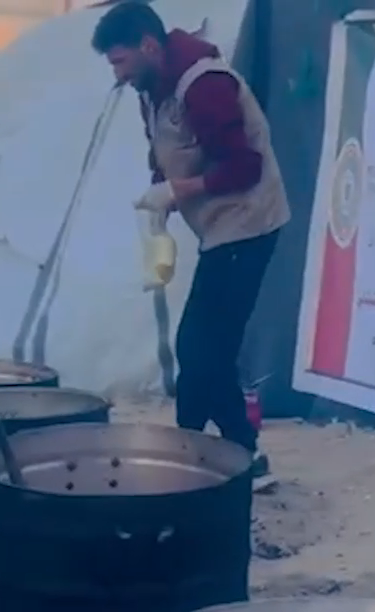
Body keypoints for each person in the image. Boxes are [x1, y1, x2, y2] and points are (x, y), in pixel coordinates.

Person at [91, 1, 290, 477]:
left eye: (120, 61)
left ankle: (229, 454)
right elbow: (164, 150)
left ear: (148, 46)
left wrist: (178, 190)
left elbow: (245, 167)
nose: (117, 74)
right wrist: (160, 199)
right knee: (201, 348)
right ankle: (196, 450)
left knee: (204, 350)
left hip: (249, 222)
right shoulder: (151, 88)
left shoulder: (205, 85)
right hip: (218, 228)